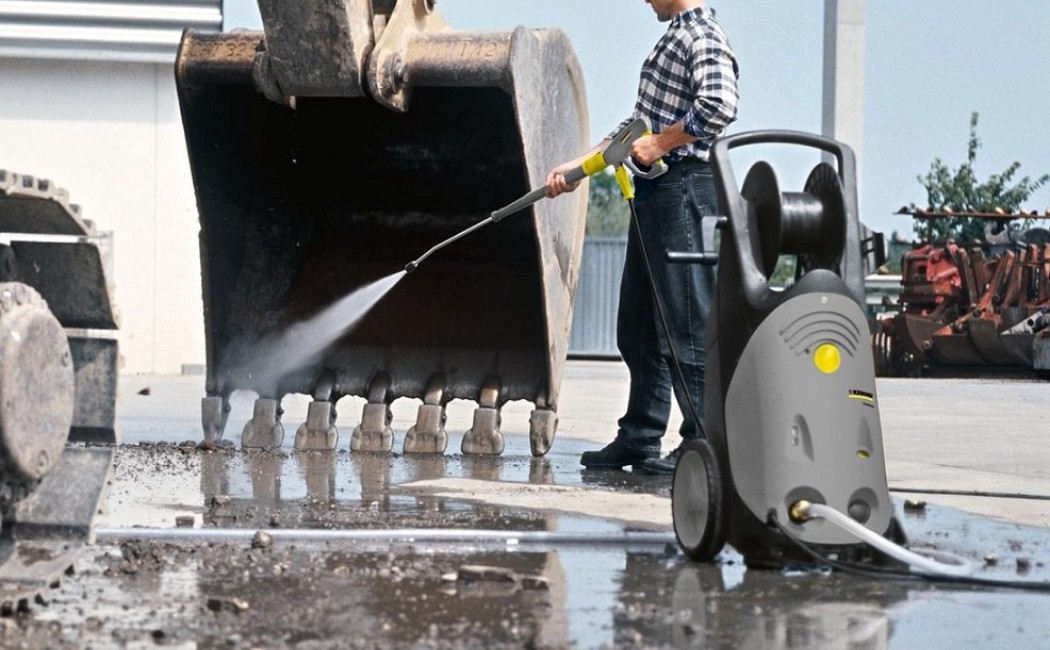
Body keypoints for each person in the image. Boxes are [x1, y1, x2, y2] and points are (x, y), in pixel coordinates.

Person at [546, 0, 738, 474]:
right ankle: (640, 435)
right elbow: (633, 130)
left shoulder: (702, 35)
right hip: (657, 196)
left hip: (686, 190)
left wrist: (659, 144)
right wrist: (576, 169)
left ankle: (702, 443)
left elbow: (719, 106)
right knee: (639, 326)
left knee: (686, 326)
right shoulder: (675, 36)